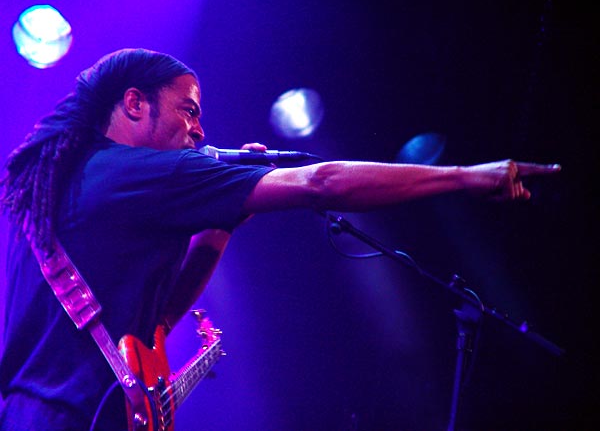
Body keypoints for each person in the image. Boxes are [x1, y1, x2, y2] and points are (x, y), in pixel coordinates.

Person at [0, 48, 560, 430]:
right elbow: (321, 182)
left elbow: (157, 324)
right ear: (134, 103)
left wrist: (224, 219)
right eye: (188, 110)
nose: (199, 130)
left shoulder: (76, 182)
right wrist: (467, 177)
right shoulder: (133, 172)